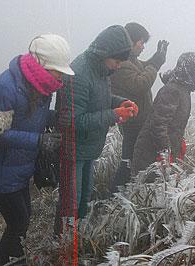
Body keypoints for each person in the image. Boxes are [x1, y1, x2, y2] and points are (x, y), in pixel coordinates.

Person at [0, 34, 73, 265]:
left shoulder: (42, 86)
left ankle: (16, 260)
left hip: (20, 169)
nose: (61, 77)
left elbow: (27, 118)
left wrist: (55, 118)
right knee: (18, 223)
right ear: (42, 65)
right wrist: (39, 141)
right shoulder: (5, 87)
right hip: (1, 172)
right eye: (58, 71)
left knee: (23, 220)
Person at [55, 25, 137, 233]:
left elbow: (98, 100)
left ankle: (74, 243)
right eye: (117, 61)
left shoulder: (102, 70)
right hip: (74, 150)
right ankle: (62, 250)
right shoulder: (79, 73)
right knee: (69, 208)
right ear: (105, 53)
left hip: (89, 148)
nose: (118, 67)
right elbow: (71, 121)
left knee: (82, 204)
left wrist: (121, 102)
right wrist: (114, 114)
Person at [131, 52, 195, 177]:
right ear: (191, 70)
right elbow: (158, 125)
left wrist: (178, 142)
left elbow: (172, 125)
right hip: (151, 155)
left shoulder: (183, 90)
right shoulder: (173, 90)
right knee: (149, 192)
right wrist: (165, 153)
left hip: (160, 153)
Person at [111, 22, 169, 186]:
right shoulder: (121, 64)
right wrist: (155, 64)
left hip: (139, 120)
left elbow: (143, 67)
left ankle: (126, 193)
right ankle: (116, 196)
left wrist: (157, 58)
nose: (143, 47)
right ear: (131, 41)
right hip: (132, 123)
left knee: (136, 160)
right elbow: (140, 84)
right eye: (141, 42)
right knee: (128, 161)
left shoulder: (132, 61)